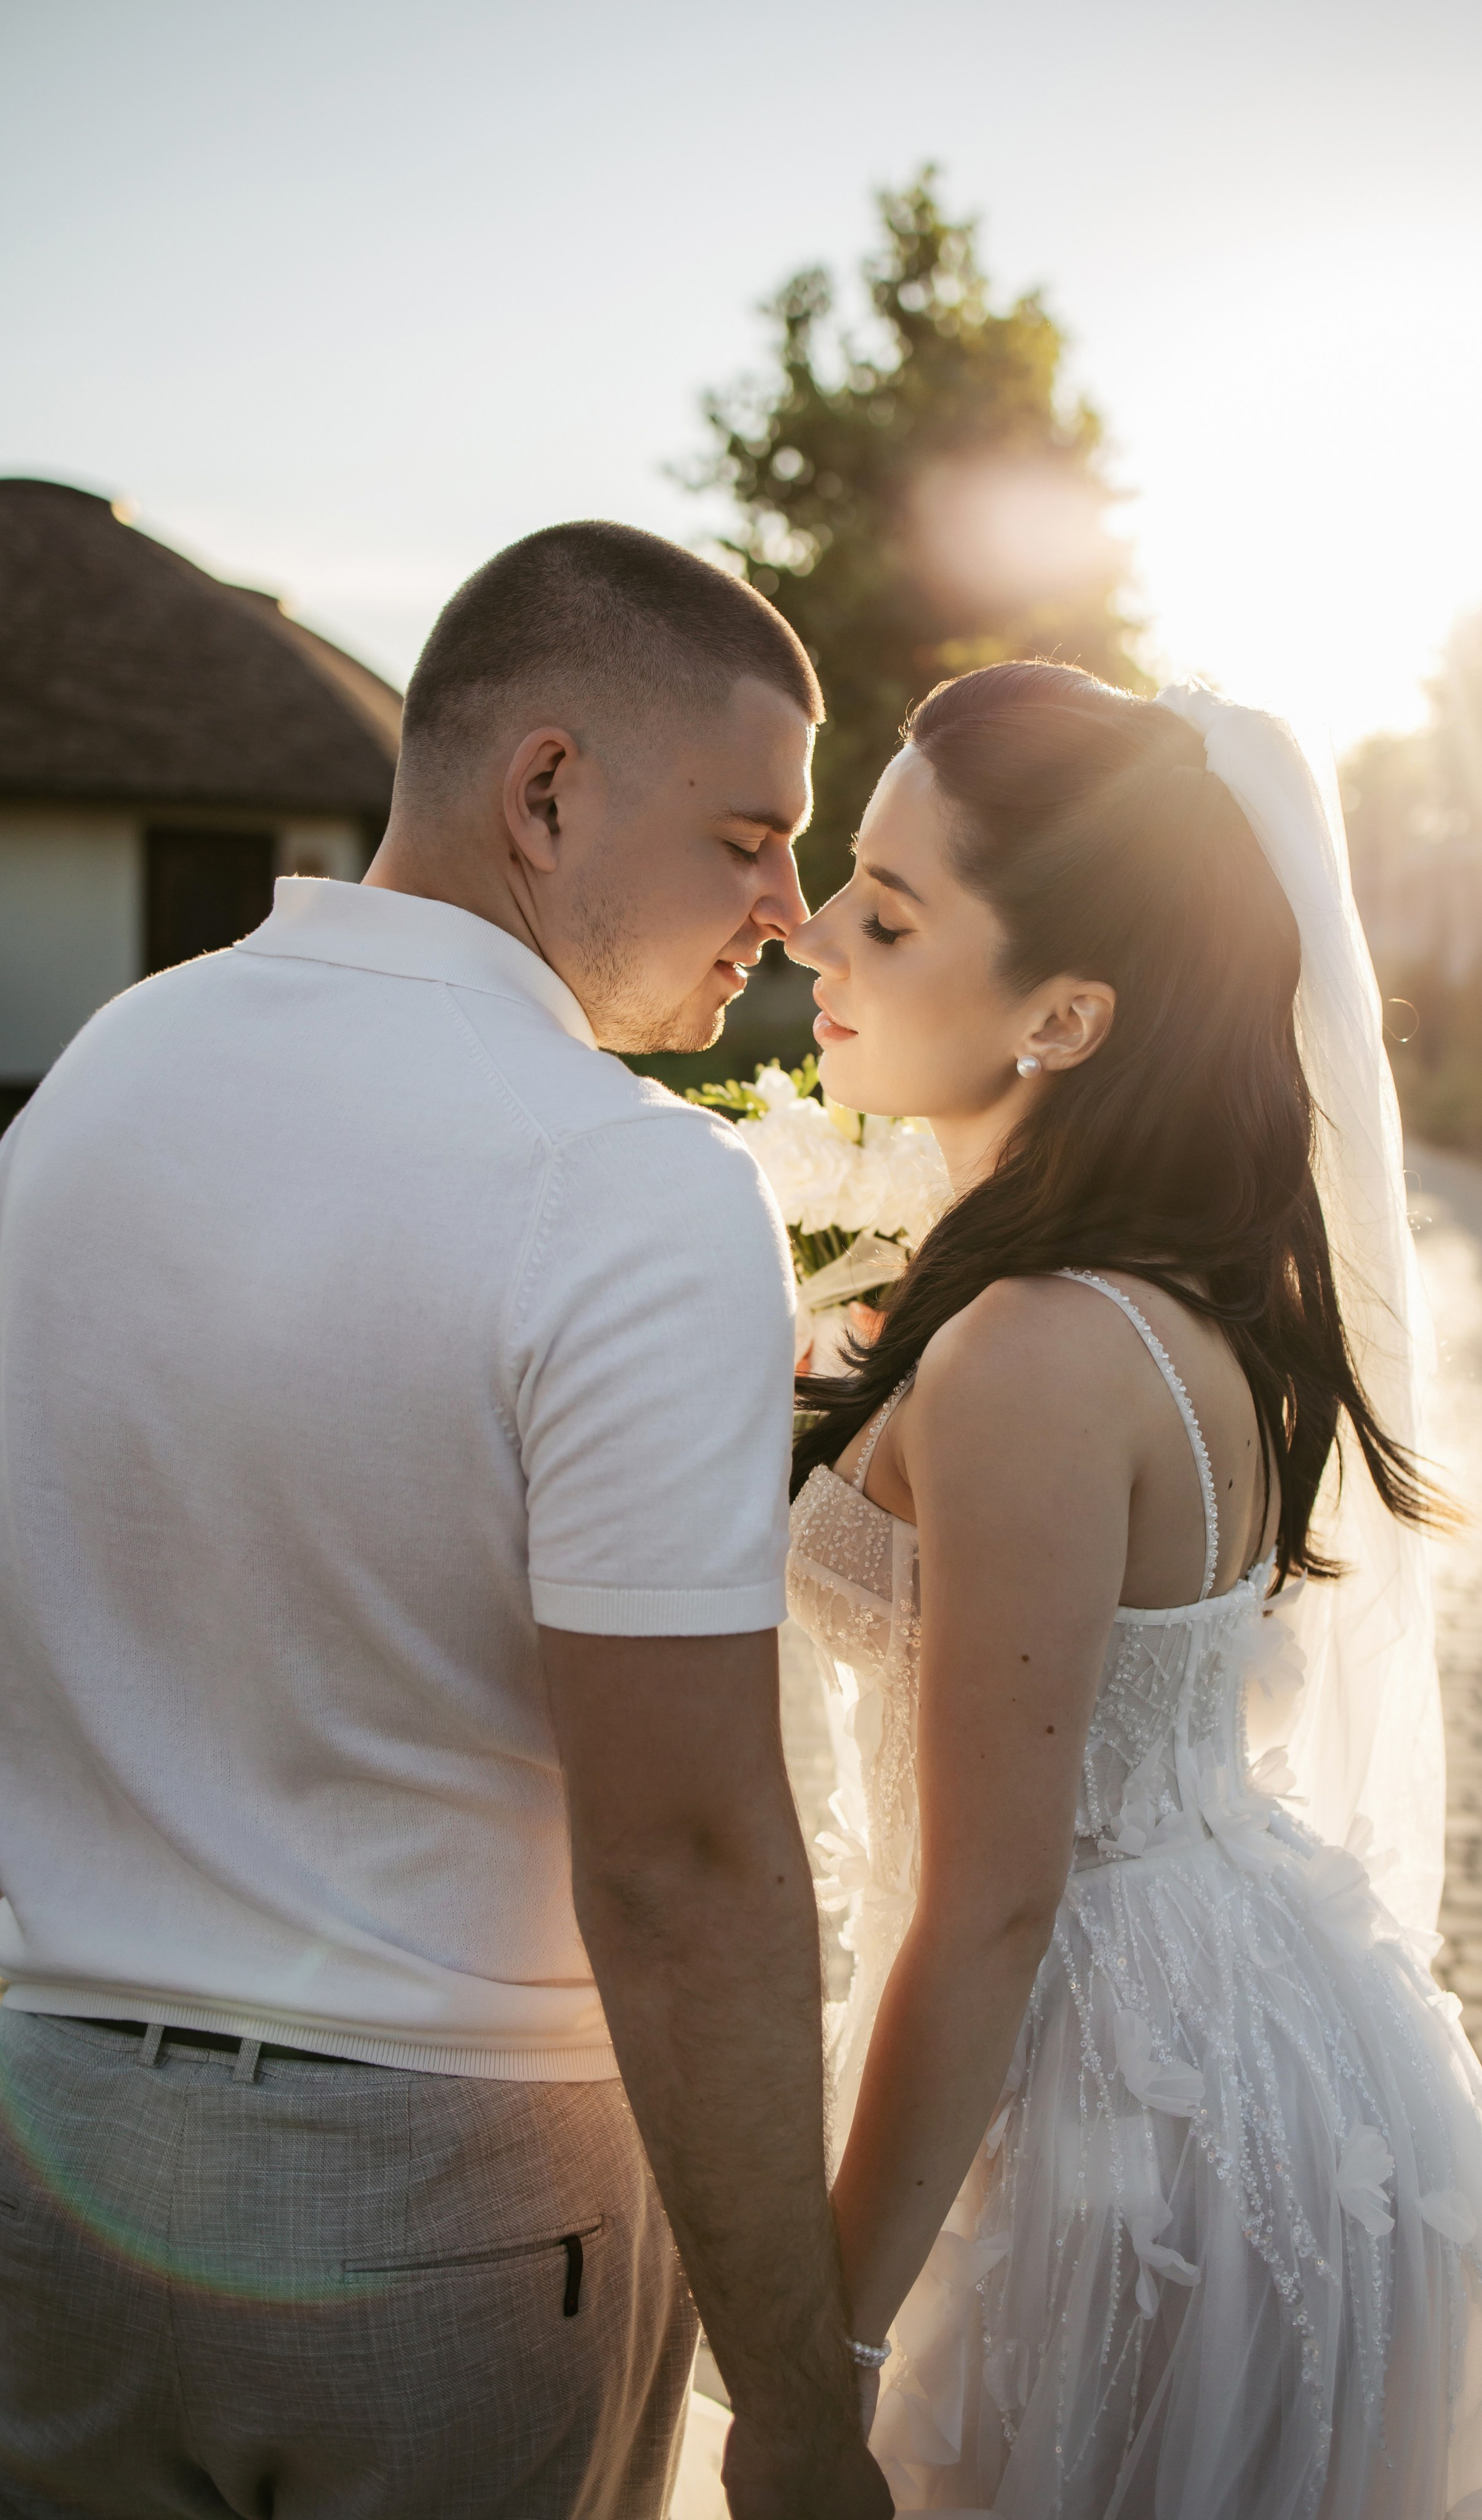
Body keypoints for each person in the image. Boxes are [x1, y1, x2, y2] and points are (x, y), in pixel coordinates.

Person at [0, 523, 890, 2520]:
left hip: (43, 2176)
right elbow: (680, 1866)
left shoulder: (95, 1084)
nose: (791, 903)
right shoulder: (630, 1183)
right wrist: (802, 2418)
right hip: (446, 2207)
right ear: (549, 789)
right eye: (749, 834)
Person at [783, 661, 1482, 2517]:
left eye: (889, 905)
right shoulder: (1182, 1288)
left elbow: (993, 1905)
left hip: (1098, 2124)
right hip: (1262, 2031)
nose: (812, 930)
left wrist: (826, 2360)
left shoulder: (1029, 1351)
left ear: (1069, 1013)